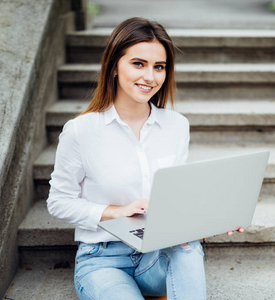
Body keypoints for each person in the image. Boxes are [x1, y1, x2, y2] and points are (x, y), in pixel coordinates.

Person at [47, 17, 242, 300]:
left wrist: (213, 216)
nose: (150, 77)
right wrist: (117, 211)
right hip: (102, 258)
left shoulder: (177, 125)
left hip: (158, 254)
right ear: (114, 66)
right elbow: (58, 202)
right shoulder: (81, 131)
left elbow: (175, 197)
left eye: (159, 67)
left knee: (187, 246)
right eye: (138, 63)